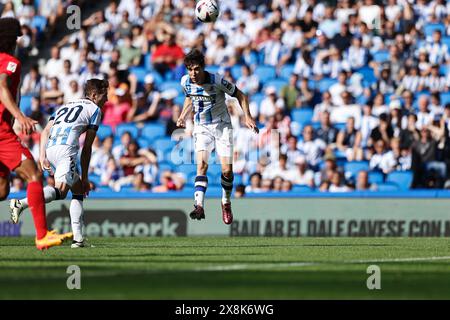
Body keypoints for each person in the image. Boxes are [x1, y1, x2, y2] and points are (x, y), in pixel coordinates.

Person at [10, 78, 109, 248]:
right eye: (104, 95)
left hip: (51, 148)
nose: (106, 100)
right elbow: (87, 148)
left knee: (76, 190)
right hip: (66, 149)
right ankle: (21, 203)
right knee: (62, 191)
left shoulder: (65, 106)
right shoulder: (94, 110)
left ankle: (79, 240)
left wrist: (42, 155)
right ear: (94, 95)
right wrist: (85, 177)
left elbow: (46, 131)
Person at [0, 18, 71, 250]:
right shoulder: (10, 62)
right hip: (1, 133)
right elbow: (1, 88)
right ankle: (42, 235)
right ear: (14, 39)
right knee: (34, 175)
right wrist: (20, 116)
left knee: (2, 190)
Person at [176, 49, 258, 224]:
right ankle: (198, 205)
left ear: (203, 67)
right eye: (190, 69)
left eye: (196, 69)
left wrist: (247, 116)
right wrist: (183, 115)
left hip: (222, 126)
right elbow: (190, 97)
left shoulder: (217, 80)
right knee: (202, 165)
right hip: (202, 126)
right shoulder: (185, 81)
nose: (193, 73)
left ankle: (226, 202)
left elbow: (240, 95)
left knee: (227, 171)